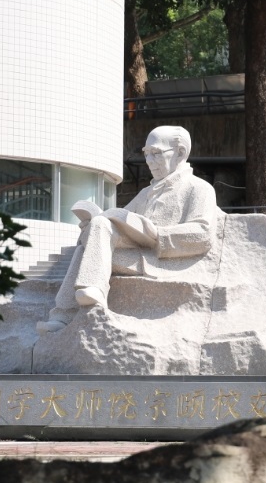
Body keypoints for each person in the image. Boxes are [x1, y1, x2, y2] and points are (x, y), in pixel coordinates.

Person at [37, 125, 218, 334]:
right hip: (135, 256)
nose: (149, 161)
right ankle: (67, 311)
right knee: (95, 232)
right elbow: (118, 220)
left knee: (94, 239)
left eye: (156, 153)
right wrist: (91, 228)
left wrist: (156, 234)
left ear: (180, 153)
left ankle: (83, 298)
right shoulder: (145, 193)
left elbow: (202, 234)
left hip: (163, 260)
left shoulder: (198, 188)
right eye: (146, 153)